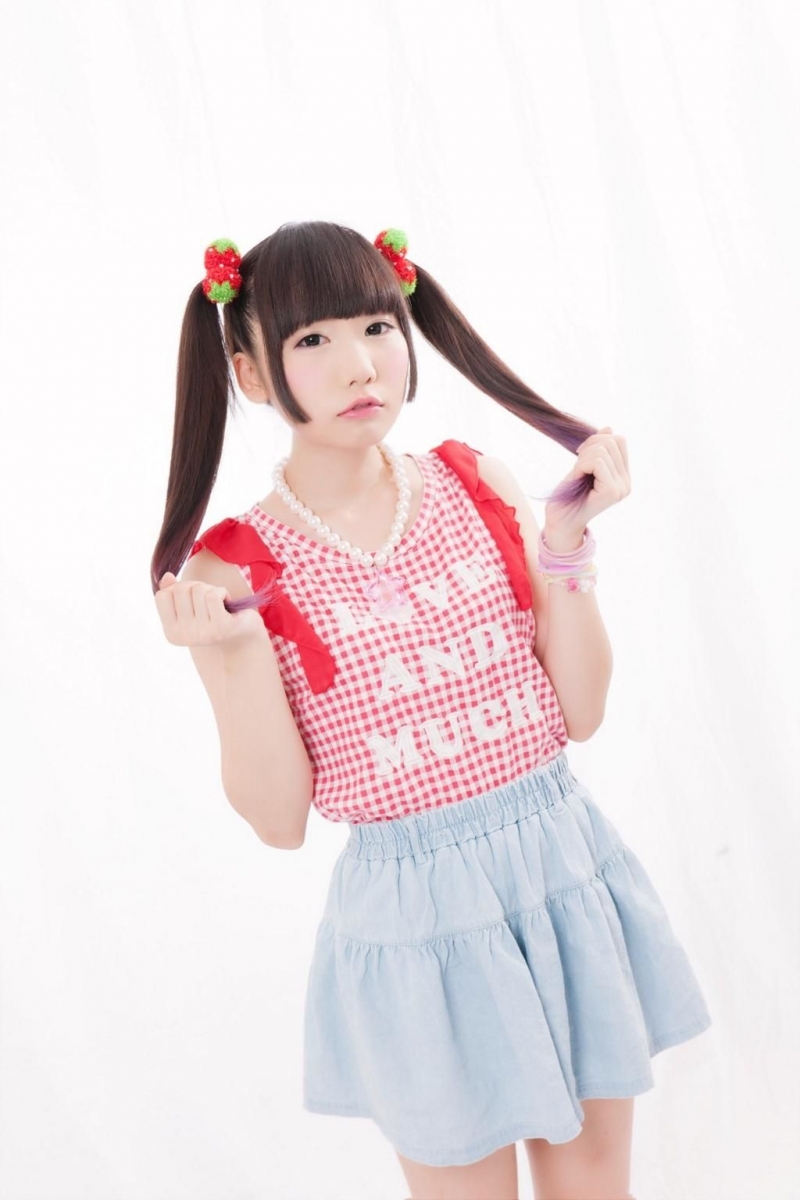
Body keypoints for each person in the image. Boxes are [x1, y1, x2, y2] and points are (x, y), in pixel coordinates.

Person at [151, 223, 711, 1200]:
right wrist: (235, 656)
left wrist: (565, 545)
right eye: (313, 340)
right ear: (250, 373)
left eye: (377, 326)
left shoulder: (471, 481)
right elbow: (278, 821)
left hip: (558, 868)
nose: (360, 364)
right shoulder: (231, 571)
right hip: (416, 922)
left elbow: (579, 712)